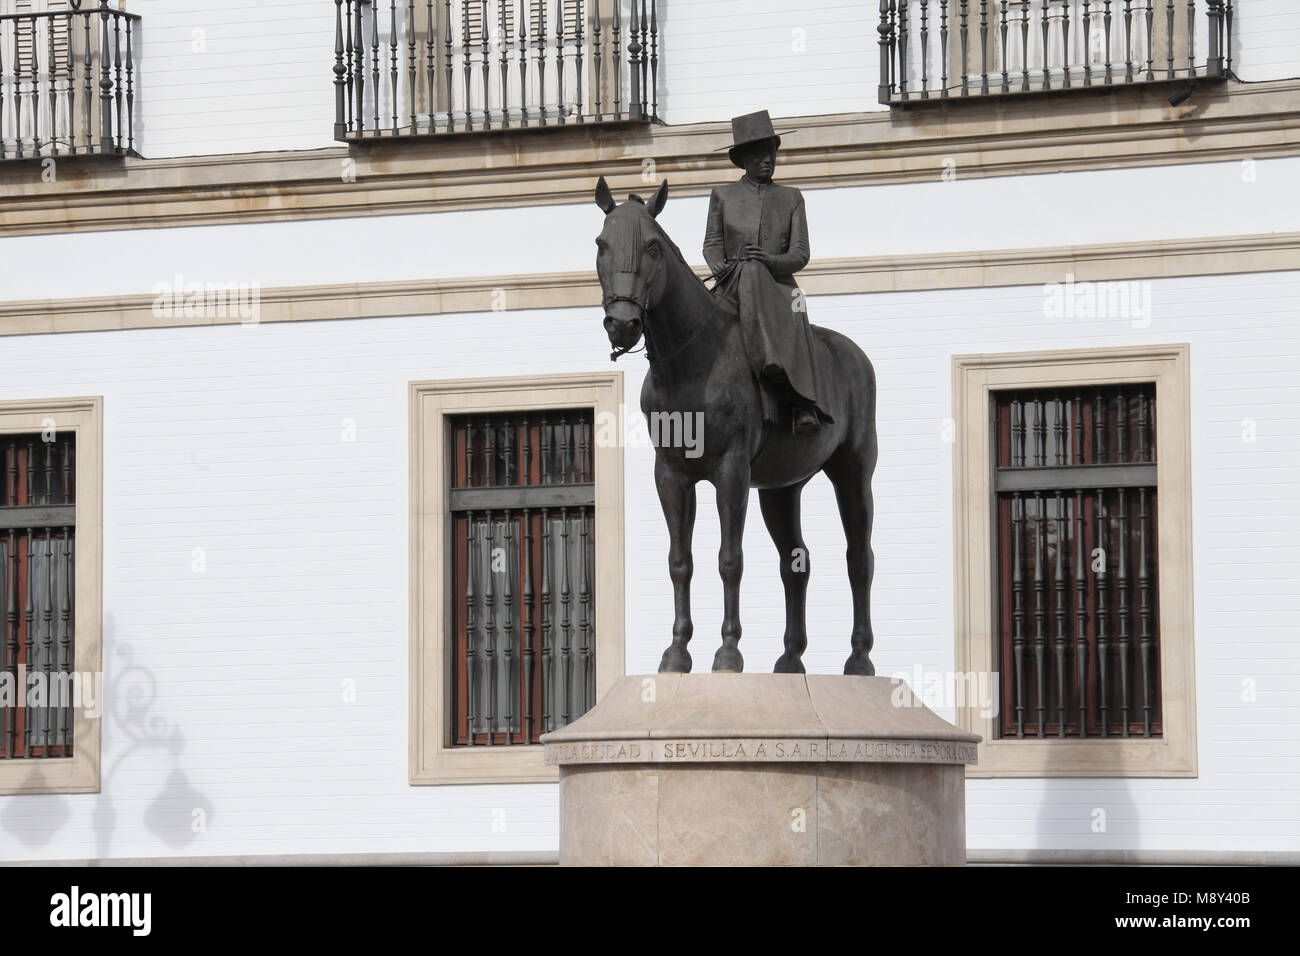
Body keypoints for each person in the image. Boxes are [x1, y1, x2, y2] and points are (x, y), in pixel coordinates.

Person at [703, 110, 830, 434]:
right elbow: (712, 244)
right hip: (731, 284)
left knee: (794, 303)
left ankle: (802, 400)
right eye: (759, 154)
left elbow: (801, 254)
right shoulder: (723, 196)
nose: (767, 160)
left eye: (771, 152)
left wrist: (769, 260)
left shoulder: (790, 198)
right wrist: (719, 266)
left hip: (778, 287)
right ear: (744, 158)